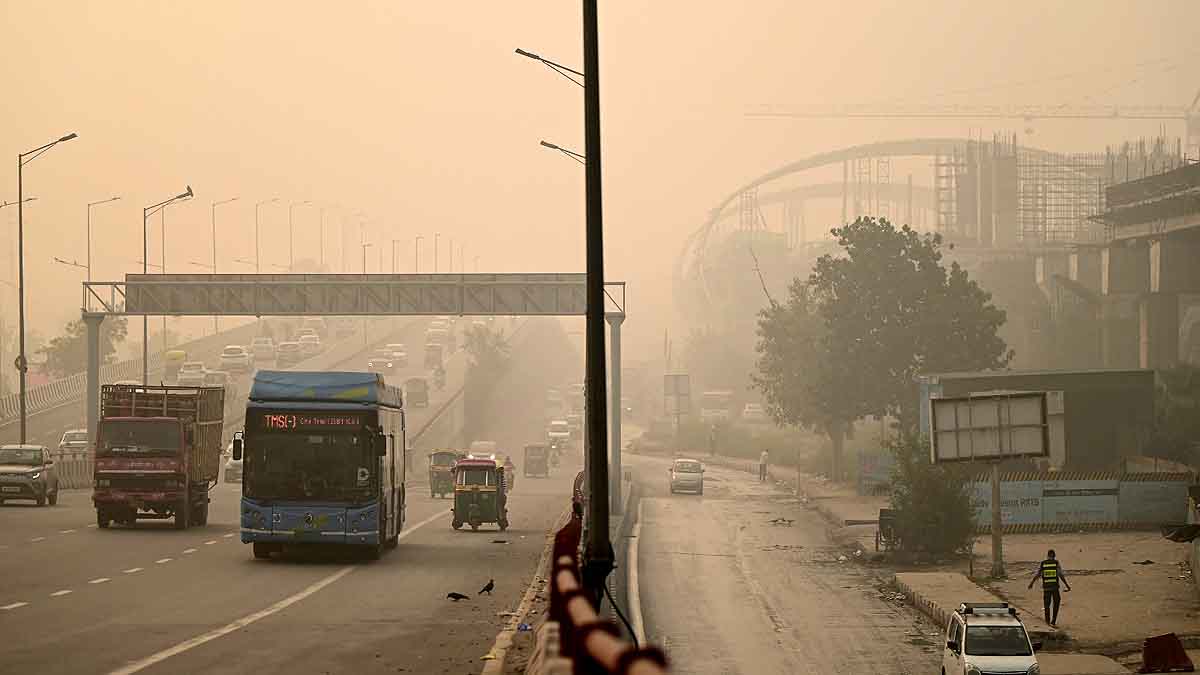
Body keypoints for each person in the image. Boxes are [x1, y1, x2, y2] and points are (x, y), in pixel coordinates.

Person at [1028, 548, 1071, 626]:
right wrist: (1067, 585)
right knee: (1056, 603)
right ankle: (1053, 621)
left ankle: (1047, 621)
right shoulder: (1056, 563)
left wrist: (1031, 583)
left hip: (1046, 588)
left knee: (1046, 605)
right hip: (1055, 588)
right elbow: (1060, 575)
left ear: (1047, 555)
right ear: (1054, 556)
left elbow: (1037, 574)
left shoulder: (1043, 563)